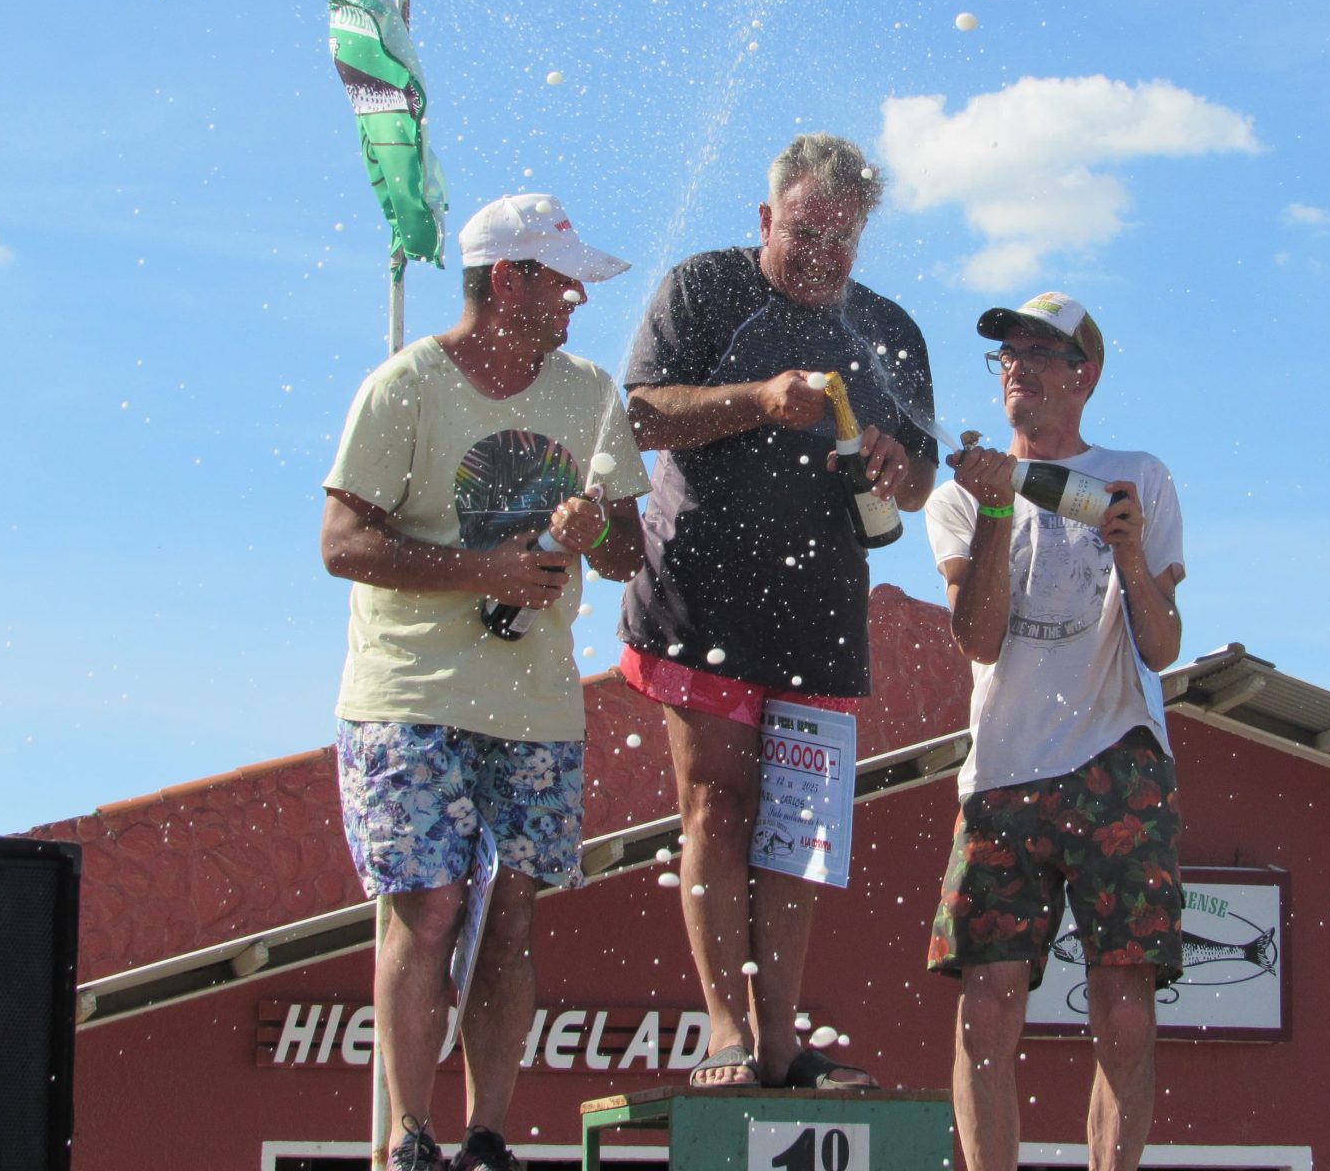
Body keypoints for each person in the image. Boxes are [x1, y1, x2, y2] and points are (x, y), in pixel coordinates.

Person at [321, 195, 650, 1171]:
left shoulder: (590, 391)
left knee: (512, 907)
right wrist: (489, 572)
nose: (579, 298)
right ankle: (406, 1138)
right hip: (407, 694)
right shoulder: (405, 387)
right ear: (505, 280)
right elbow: (342, 543)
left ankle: (487, 1139)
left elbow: (630, 550)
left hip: (536, 704)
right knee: (426, 905)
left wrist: (598, 532)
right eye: (563, 279)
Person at [616, 133, 938, 1089]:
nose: (822, 256)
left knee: (798, 825)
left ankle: (783, 1041)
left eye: (842, 240)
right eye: (804, 233)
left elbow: (920, 481)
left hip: (822, 609)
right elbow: (638, 417)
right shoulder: (702, 288)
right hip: (701, 590)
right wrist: (759, 398)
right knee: (718, 801)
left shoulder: (890, 329)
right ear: (766, 218)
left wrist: (897, 467)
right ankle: (724, 1029)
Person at [923, 292, 1186, 1171]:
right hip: (1001, 771)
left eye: (1041, 353)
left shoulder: (1137, 474)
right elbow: (979, 639)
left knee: (1122, 1004)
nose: (1019, 368)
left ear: (1086, 375)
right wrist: (997, 510)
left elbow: (1161, 644)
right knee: (987, 1007)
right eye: (1006, 355)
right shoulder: (963, 495)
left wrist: (1129, 553)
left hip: (1119, 757)